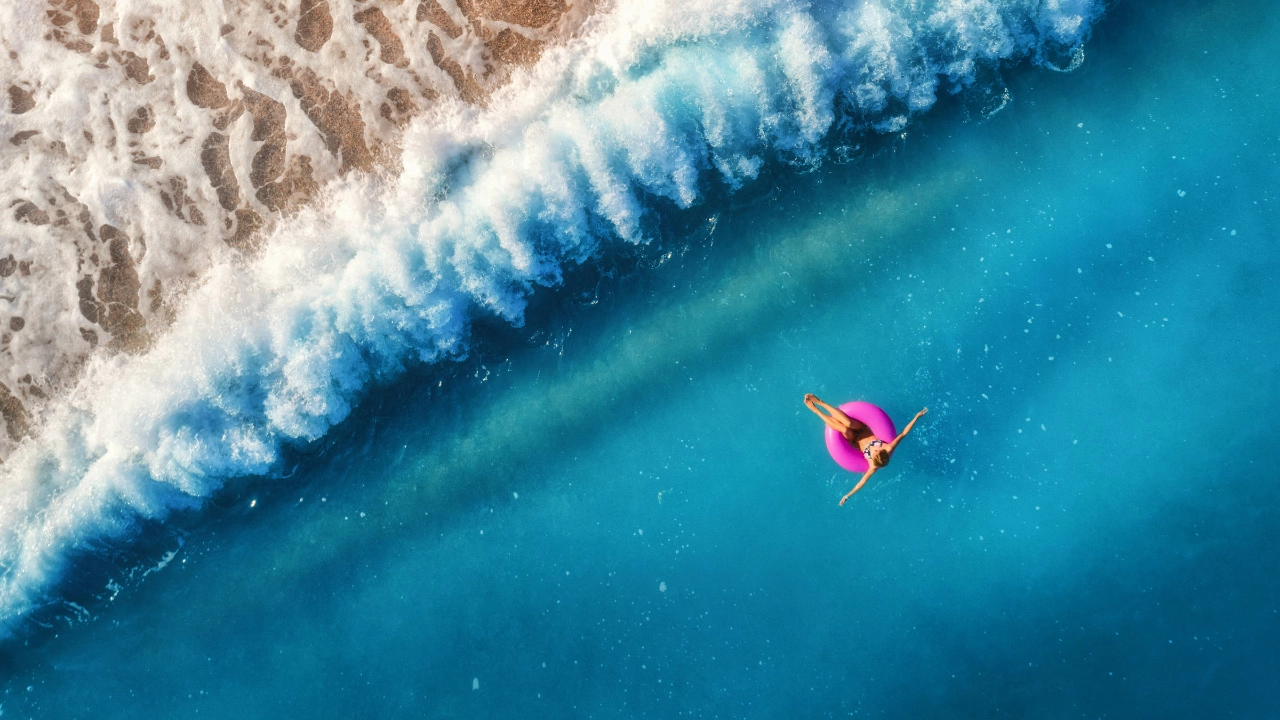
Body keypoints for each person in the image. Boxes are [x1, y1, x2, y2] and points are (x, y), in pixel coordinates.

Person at [803, 394, 928, 505]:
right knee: (848, 423)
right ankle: (820, 402)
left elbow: (862, 482)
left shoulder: (872, 465)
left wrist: (847, 495)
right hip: (861, 428)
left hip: (853, 440)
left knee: (845, 430)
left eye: (874, 453)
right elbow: (903, 433)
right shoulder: (888, 447)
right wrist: (917, 417)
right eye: (878, 450)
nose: (876, 450)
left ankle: (816, 411)